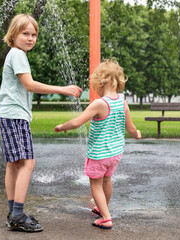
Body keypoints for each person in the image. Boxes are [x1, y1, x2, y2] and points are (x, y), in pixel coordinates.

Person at [0, 14, 82, 232]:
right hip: (14, 116)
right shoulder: (18, 55)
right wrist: (63, 89)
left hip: (7, 114)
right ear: (13, 34)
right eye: (25, 33)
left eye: (34, 34)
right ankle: (17, 215)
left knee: (14, 164)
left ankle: (13, 213)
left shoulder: (15, 54)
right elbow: (30, 85)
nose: (30, 38)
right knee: (27, 163)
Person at [54, 59, 141, 229]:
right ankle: (103, 209)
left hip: (99, 154)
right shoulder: (123, 104)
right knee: (107, 181)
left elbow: (77, 122)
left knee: (95, 184)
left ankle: (106, 218)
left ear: (100, 81)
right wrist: (137, 134)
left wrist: (62, 127)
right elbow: (131, 129)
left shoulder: (100, 103)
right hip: (115, 153)